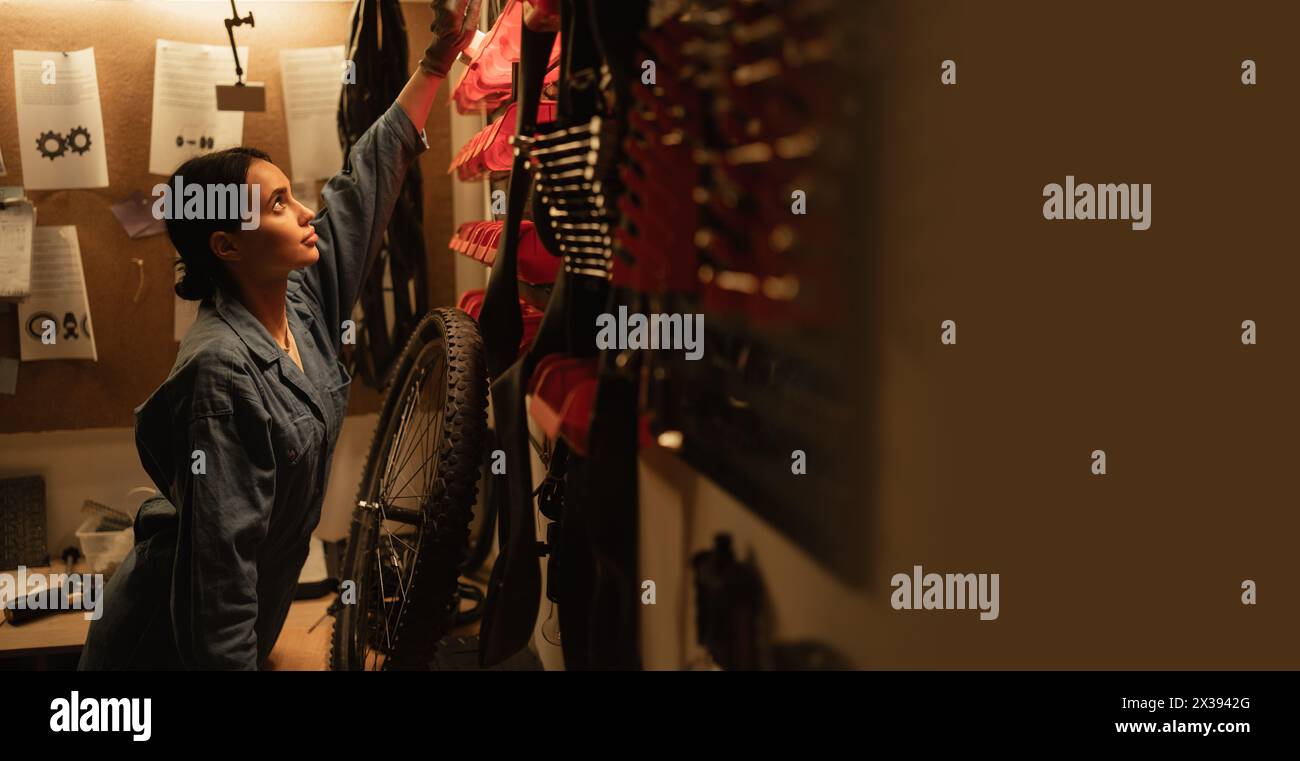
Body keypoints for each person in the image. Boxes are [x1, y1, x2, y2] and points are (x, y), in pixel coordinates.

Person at [79, 0, 482, 670]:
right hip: (155, 656)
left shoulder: (300, 295)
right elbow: (219, 591)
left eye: (291, 195)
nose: (303, 212)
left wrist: (439, 56)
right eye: (276, 205)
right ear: (227, 246)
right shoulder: (221, 374)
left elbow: (366, 180)